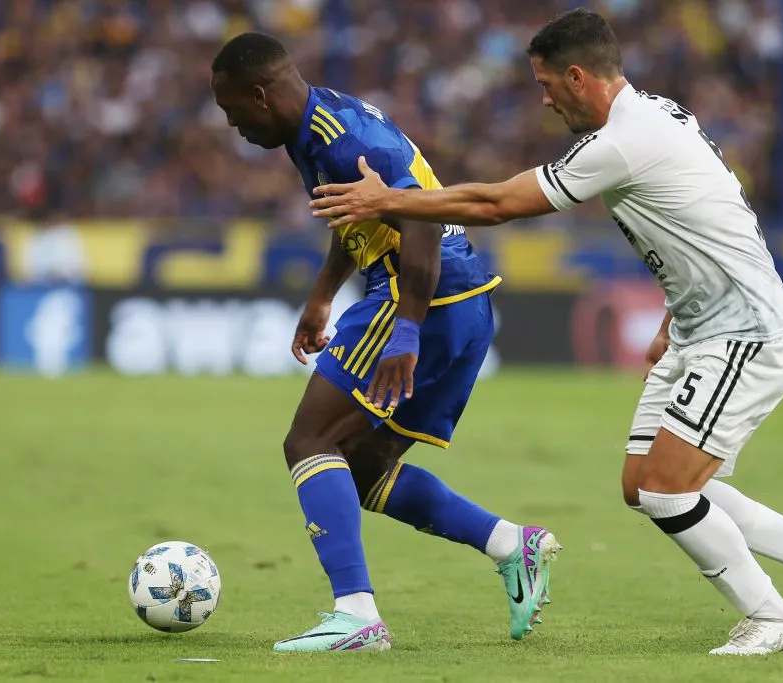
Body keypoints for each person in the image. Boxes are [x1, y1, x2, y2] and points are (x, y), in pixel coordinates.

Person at [310, 8, 783, 656]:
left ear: (578, 76)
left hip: (746, 333)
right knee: (644, 485)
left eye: (546, 85)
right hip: (699, 327)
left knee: (666, 487)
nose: (544, 101)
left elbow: (498, 205)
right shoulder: (659, 114)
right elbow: (706, 217)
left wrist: (387, 201)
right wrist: (674, 314)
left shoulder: (622, 140)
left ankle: (769, 613)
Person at [210, 32, 560, 653]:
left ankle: (356, 616)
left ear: (260, 95)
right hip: (463, 301)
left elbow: (417, 215)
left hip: (423, 296)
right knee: (366, 466)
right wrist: (322, 295)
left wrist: (406, 329)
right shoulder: (317, 125)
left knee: (309, 442)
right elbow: (362, 216)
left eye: (233, 110)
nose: (233, 125)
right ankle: (511, 543)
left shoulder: (343, 140)